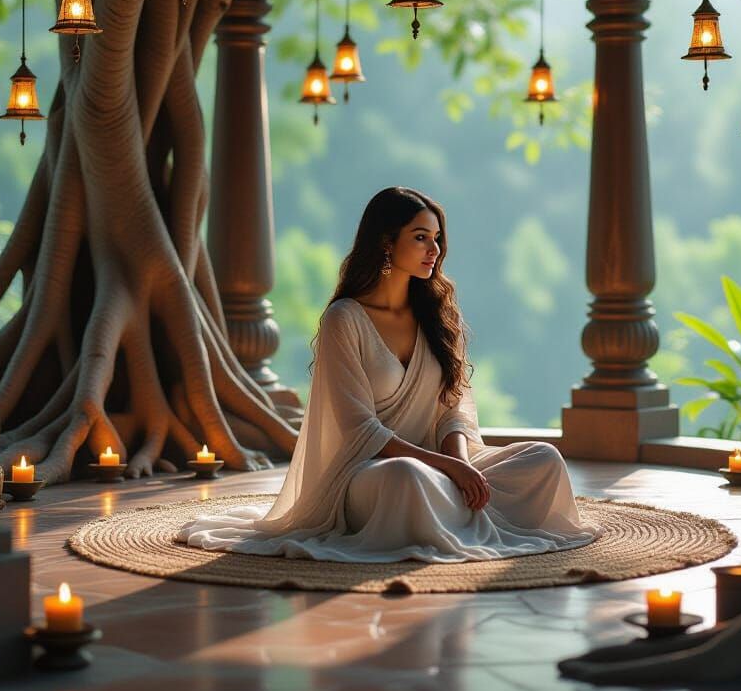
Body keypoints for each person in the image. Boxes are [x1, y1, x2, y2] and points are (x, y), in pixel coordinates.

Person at [177, 186, 599, 562]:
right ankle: (448, 511)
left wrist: (458, 462)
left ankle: (452, 509)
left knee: (544, 459)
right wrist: (445, 470)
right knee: (408, 478)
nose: (433, 249)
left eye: (435, 238)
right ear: (385, 242)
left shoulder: (436, 315)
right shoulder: (345, 319)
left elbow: (452, 409)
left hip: (441, 463)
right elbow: (360, 430)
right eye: (420, 238)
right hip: (374, 473)